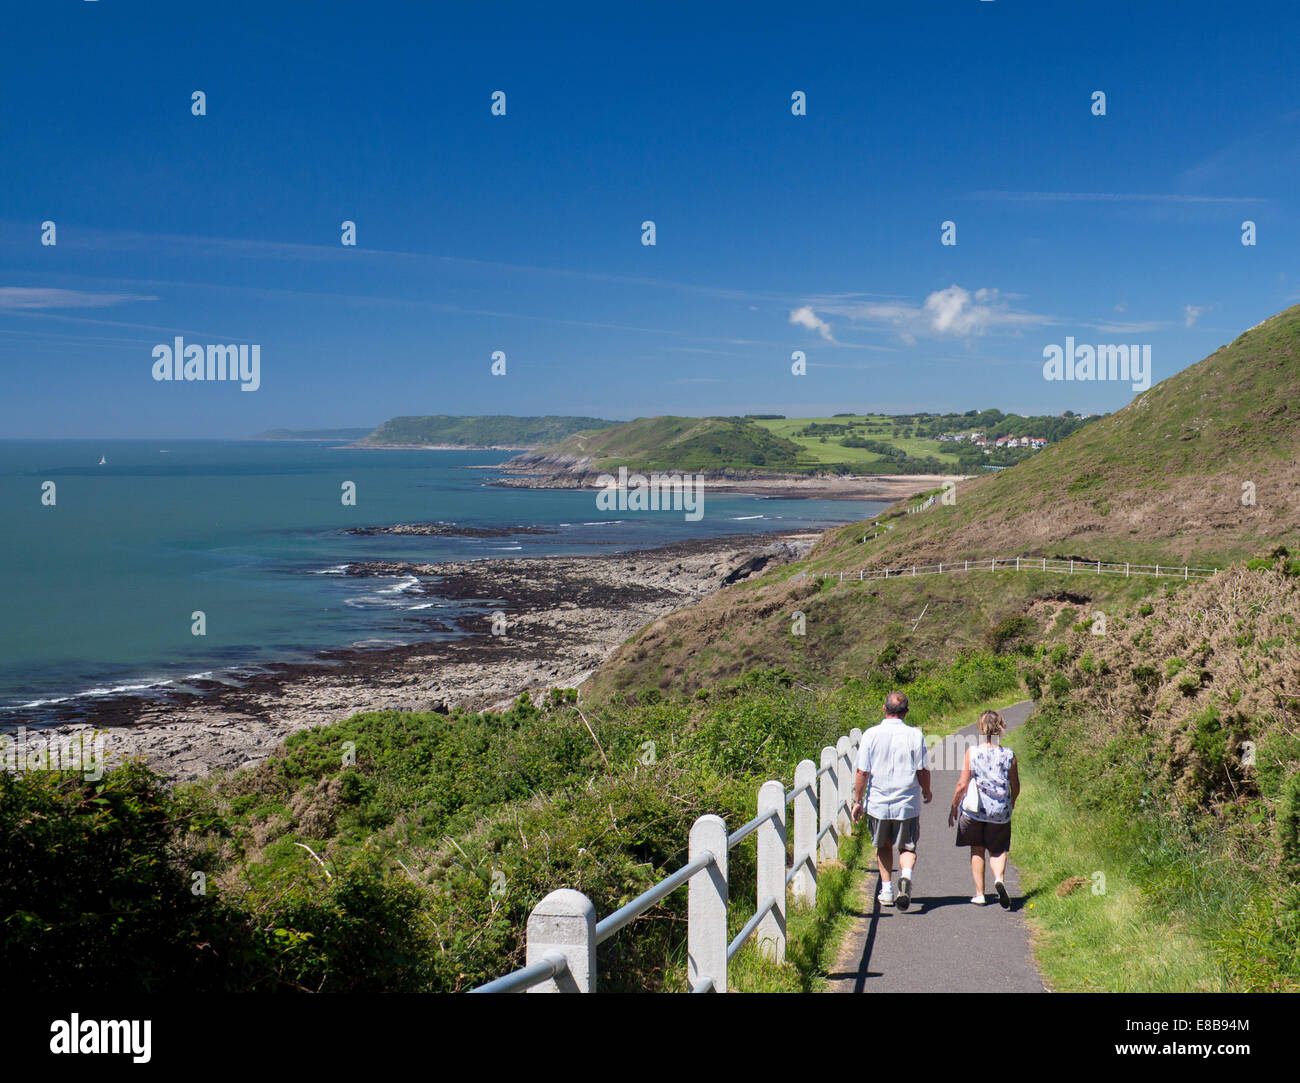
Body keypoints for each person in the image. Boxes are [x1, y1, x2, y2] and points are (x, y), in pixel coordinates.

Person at [851, 691, 931, 910]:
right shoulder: (915, 735)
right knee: (907, 847)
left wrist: (857, 800)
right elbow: (922, 769)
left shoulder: (870, 735)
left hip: (878, 802)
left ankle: (886, 891)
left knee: (883, 846)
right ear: (906, 712)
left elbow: (862, 772)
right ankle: (905, 876)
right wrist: (927, 791)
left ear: (884, 709)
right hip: (907, 802)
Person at [948, 709, 1020, 907]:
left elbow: (962, 785)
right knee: (998, 849)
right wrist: (1010, 803)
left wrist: (954, 806)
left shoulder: (972, 752)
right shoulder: (1009, 755)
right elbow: (1015, 785)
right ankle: (999, 879)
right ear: (1001, 727)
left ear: (980, 728)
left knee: (977, 849)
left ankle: (980, 894)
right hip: (1000, 812)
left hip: (975, 811)